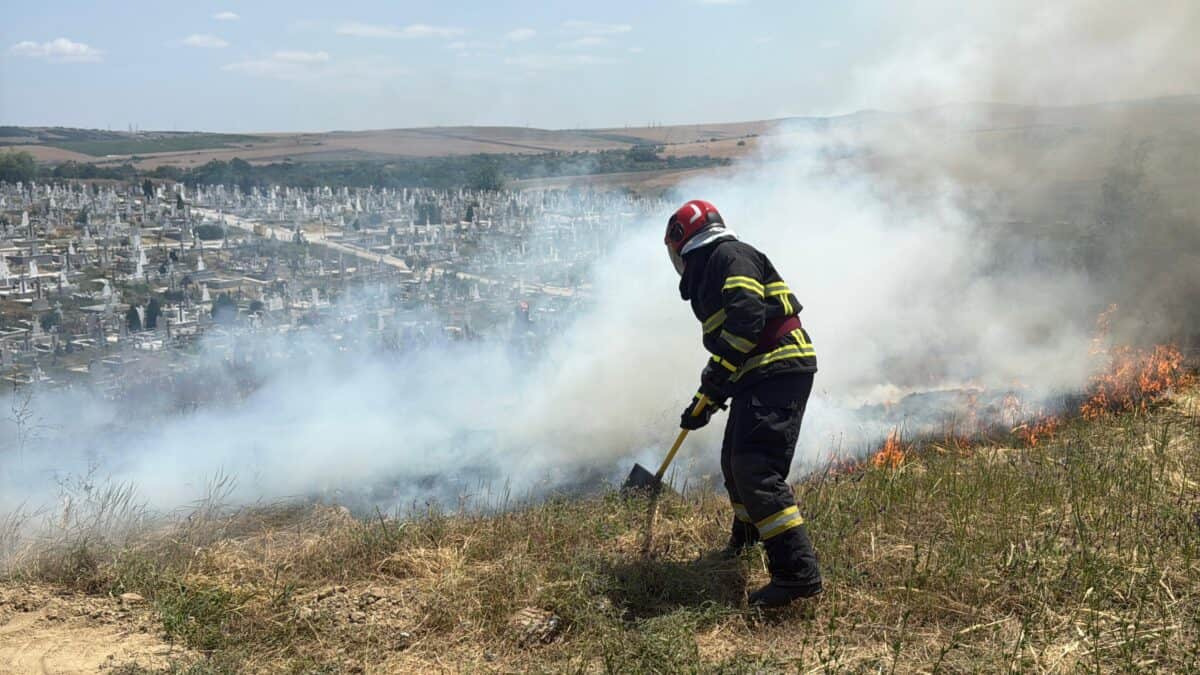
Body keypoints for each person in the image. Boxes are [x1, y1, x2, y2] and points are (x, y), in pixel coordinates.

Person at [665, 199, 823, 608]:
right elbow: (729, 349)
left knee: (756, 468)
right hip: (759, 372)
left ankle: (797, 574)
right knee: (735, 463)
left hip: (777, 366)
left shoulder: (728, 255)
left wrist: (718, 380)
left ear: (682, 242)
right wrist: (706, 397)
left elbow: (747, 319)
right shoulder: (713, 265)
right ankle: (748, 538)